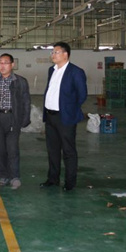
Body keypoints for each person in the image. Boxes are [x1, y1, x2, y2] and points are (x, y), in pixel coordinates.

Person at [41, 41, 87, 191]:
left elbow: (82, 95)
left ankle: (70, 182)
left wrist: (69, 110)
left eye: (56, 52)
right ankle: (52, 179)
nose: (53, 55)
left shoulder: (76, 72)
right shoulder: (51, 70)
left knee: (68, 151)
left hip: (65, 117)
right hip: (50, 116)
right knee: (52, 150)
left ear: (65, 54)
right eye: (52, 52)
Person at [0, 53, 32, 190]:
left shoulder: (20, 81)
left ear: (12, 65)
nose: (2, 66)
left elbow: (26, 101)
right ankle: (3, 176)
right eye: (0, 62)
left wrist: (25, 119)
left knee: (12, 149)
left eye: (5, 63)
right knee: (0, 150)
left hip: (13, 118)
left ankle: (15, 177)